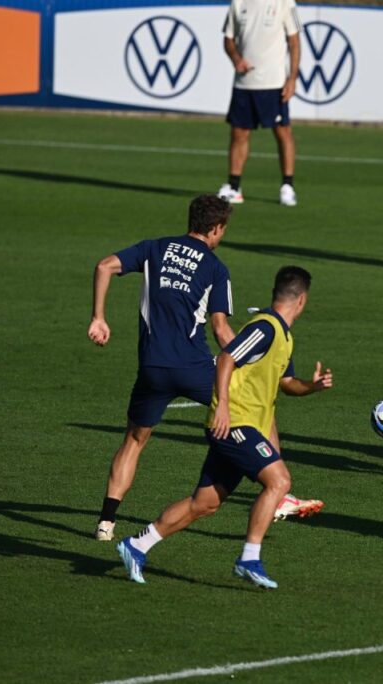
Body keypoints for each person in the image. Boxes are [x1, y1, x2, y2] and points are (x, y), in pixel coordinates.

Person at [116, 266, 333, 588]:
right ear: (301, 300)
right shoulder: (265, 328)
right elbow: (227, 357)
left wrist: (311, 386)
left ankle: (137, 545)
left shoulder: (283, 336)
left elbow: (287, 383)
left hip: (243, 426)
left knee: (204, 504)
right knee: (280, 481)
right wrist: (222, 408)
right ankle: (249, 558)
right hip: (234, 424)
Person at [88, 194, 236, 541]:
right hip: (195, 368)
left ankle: (106, 523)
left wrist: (98, 317)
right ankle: (276, 487)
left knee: (134, 440)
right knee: (252, 406)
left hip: (152, 368)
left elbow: (104, 266)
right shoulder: (215, 268)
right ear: (216, 228)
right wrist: (254, 360)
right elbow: (220, 330)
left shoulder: (154, 248)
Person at [217, 0, 302, 206]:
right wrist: (236, 59)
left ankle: (287, 186)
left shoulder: (284, 2)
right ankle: (234, 187)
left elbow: (294, 41)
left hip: (274, 83)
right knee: (239, 133)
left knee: (282, 132)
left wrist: (292, 78)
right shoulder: (238, 3)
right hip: (244, 84)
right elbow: (228, 40)